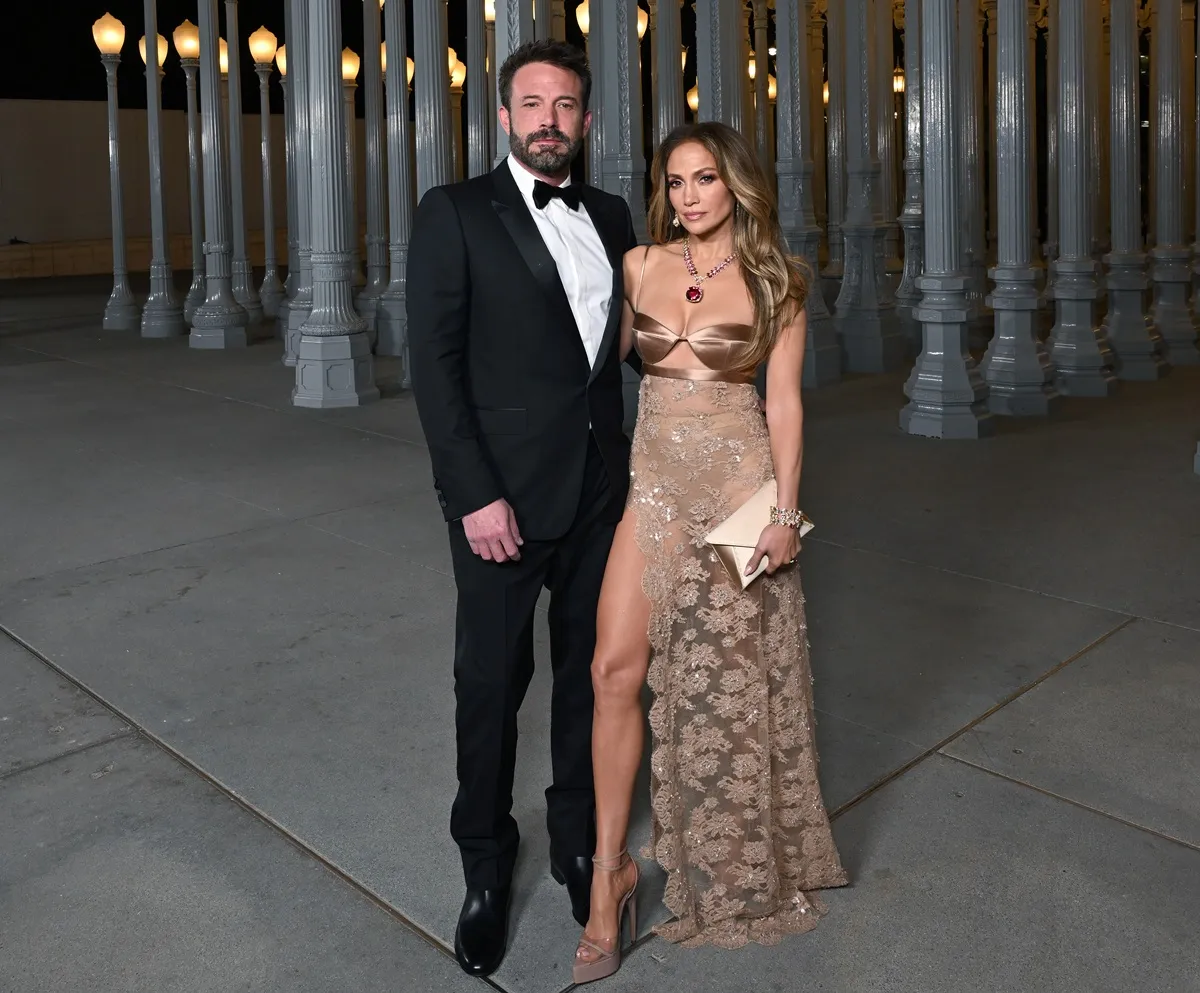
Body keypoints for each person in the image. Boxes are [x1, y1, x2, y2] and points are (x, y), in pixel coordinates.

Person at [570, 122, 848, 984]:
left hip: (738, 496)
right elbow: (586, 352)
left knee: (729, 683)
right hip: (652, 488)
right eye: (676, 181)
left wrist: (786, 516)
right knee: (614, 669)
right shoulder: (639, 265)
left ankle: (734, 862)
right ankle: (610, 872)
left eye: (705, 180)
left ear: (737, 186)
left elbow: (787, 407)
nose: (689, 196)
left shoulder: (779, 280)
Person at [406, 40, 641, 979]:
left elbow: (635, 347)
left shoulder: (615, 214)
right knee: (491, 687)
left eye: (567, 103)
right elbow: (437, 367)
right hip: (501, 502)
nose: (550, 117)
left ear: (587, 120)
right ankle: (486, 867)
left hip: (602, 494)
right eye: (533, 102)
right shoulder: (456, 212)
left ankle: (583, 846)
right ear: (504, 116)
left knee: (594, 675)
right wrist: (474, 496)